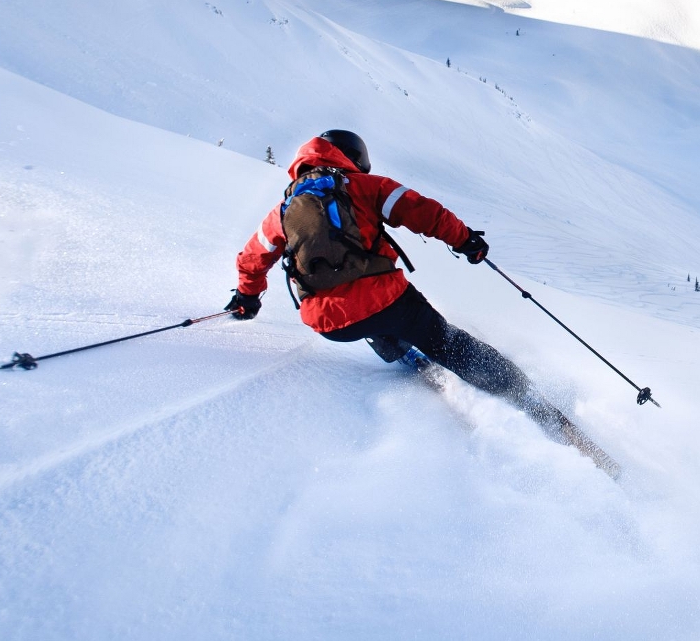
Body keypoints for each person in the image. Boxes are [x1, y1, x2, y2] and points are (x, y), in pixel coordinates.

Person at [226, 129, 568, 438]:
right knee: (444, 340)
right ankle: (525, 396)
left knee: (366, 319)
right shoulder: (364, 186)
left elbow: (252, 258)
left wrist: (247, 298)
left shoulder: (284, 209)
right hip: (388, 301)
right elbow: (423, 211)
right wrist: (466, 241)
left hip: (329, 323)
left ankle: (401, 352)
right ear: (353, 157)